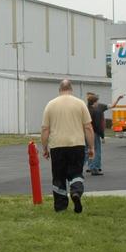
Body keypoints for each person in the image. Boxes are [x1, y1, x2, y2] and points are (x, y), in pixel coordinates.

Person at [40, 79, 95, 213]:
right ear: (71, 89)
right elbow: (88, 127)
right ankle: (76, 191)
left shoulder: (50, 105)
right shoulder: (80, 104)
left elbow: (45, 129)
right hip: (76, 144)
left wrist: (45, 148)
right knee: (76, 172)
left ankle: (60, 206)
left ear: (59, 90)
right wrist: (91, 147)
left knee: (58, 176)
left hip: (57, 145)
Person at [85, 92, 108, 176]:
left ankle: (90, 166)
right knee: (96, 150)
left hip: (87, 132)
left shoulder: (86, 109)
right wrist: (102, 135)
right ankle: (95, 167)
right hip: (94, 133)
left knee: (88, 150)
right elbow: (99, 125)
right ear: (94, 101)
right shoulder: (97, 111)